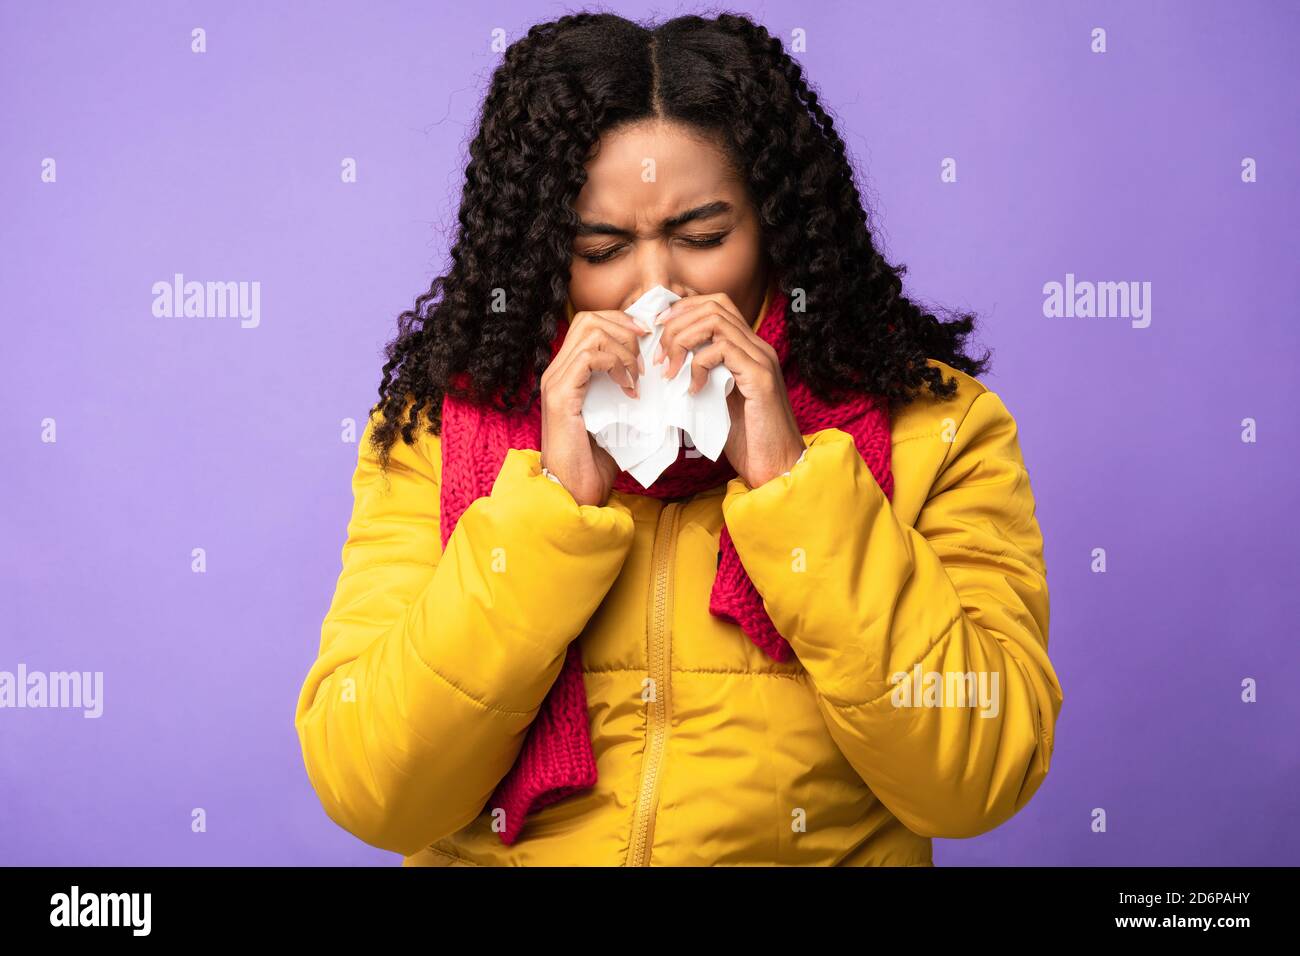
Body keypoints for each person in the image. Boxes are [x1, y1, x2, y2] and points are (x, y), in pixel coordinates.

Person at [292, 11, 1063, 866]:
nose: (656, 287)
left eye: (703, 239)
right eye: (602, 247)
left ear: (778, 231)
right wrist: (546, 515)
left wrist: (794, 490)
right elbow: (373, 793)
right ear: (544, 256)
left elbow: (978, 780)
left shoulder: (938, 428)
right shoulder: (436, 436)